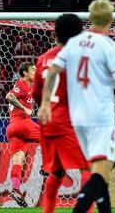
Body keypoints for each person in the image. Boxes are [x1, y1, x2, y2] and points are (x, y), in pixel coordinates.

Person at [38, 0, 115, 213]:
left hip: (77, 119)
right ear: (111, 18)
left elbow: (52, 72)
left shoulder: (75, 43)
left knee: (96, 172)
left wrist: (46, 103)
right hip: (100, 118)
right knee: (99, 173)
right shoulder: (108, 45)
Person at [32, 14, 92, 213]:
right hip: (70, 122)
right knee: (88, 170)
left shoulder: (42, 60)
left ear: (56, 33)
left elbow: (36, 94)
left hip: (48, 123)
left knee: (56, 173)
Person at [5, 62, 40, 207]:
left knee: (18, 161)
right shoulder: (22, 84)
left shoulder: (29, 87)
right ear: (25, 73)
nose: (36, 72)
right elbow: (9, 96)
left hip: (12, 129)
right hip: (22, 123)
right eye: (33, 70)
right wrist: (25, 108)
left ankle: (16, 189)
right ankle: (47, 168)